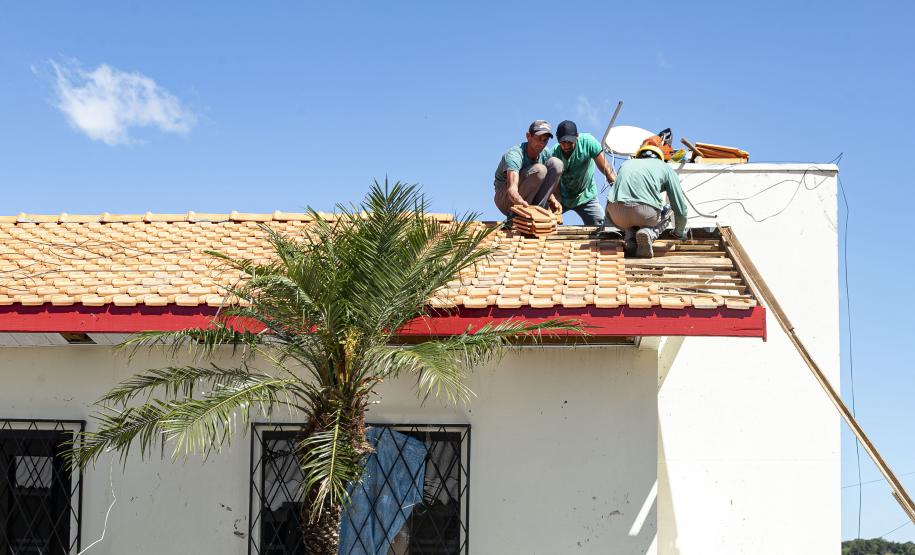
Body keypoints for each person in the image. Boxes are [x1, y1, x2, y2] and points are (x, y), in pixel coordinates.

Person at [605, 137, 688, 258]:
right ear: (660, 157)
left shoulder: (626, 164)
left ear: (639, 155)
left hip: (616, 215)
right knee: (669, 209)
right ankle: (649, 233)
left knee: (629, 217)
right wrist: (679, 233)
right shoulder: (665, 168)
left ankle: (630, 240)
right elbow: (680, 209)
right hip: (645, 214)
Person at [549, 120, 616, 226]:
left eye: (570, 142)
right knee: (544, 224)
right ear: (557, 139)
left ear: (577, 136)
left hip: (586, 196)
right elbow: (550, 185)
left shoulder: (588, 142)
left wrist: (619, 194)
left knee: (603, 228)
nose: (566, 146)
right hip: (561, 198)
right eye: (563, 142)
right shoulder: (553, 154)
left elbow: (607, 170)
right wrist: (555, 201)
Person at [493, 120, 564, 217]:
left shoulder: (545, 153)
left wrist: (553, 200)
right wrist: (520, 202)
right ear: (528, 136)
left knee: (557, 164)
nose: (542, 143)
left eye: (545, 140)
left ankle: (538, 213)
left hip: (529, 198)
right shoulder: (515, 155)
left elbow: (544, 183)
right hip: (506, 198)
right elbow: (512, 189)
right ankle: (515, 216)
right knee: (540, 170)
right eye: (539, 138)